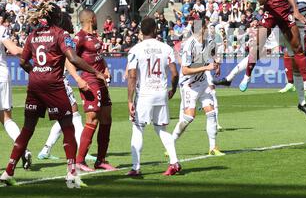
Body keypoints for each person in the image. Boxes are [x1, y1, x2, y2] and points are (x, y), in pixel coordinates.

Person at [0, 2, 106, 188]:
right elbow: (73, 58)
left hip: (34, 85)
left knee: (27, 128)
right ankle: (72, 174)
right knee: (68, 126)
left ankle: (8, 171)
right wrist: (95, 72)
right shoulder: (60, 33)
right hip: (54, 86)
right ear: (56, 17)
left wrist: (36, 72)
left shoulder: (33, 35)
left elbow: (23, 61)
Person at [37, 13, 95, 162]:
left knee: (65, 116)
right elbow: (69, 59)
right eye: (69, 19)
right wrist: (77, 77)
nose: (71, 22)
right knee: (74, 113)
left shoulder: (46, 34)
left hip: (43, 79)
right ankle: (84, 150)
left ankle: (46, 149)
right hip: (58, 80)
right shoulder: (63, 35)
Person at [127, 17, 181, 176]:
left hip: (144, 94)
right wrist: (173, 89)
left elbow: (131, 76)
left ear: (141, 31)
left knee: (138, 128)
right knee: (162, 129)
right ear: (155, 30)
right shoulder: (166, 48)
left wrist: (130, 100)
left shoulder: (135, 49)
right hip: (161, 93)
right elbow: (175, 73)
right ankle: (174, 162)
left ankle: (136, 167)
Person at [172, 19, 224, 156]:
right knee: (189, 117)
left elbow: (212, 52)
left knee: (211, 112)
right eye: (206, 27)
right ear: (200, 30)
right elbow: (184, 70)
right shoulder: (189, 45)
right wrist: (206, 67)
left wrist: (217, 63)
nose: (208, 30)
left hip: (202, 82)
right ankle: (170, 143)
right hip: (189, 84)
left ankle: (213, 148)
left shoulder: (208, 40)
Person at [73, 9, 116, 172]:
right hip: (89, 80)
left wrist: (105, 68)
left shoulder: (94, 36)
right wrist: (78, 79)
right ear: (91, 19)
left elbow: (98, 56)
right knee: (92, 119)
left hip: (101, 80)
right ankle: (79, 160)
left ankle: (101, 160)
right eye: (96, 17)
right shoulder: (80, 37)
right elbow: (69, 58)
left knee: (107, 118)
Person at [0, 19, 32, 170]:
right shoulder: (1, 29)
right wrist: (36, 50)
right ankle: (24, 150)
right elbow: (13, 50)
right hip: (1, 76)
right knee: (6, 118)